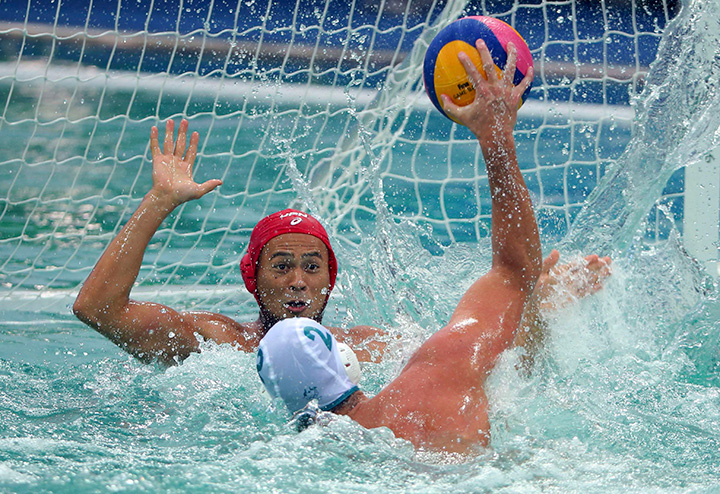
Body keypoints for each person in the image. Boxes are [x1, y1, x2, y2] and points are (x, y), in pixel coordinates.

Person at [73, 40, 610, 371]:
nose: (299, 281)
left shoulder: (371, 350)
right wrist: (159, 201)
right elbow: (96, 310)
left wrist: (538, 303)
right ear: (252, 277)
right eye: (281, 266)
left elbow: (478, 354)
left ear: (331, 279)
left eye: (312, 267)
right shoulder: (217, 345)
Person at [256, 40, 610, 454]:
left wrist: (535, 306)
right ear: (345, 361)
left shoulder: (314, 452)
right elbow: (514, 272)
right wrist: (496, 139)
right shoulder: (434, 377)